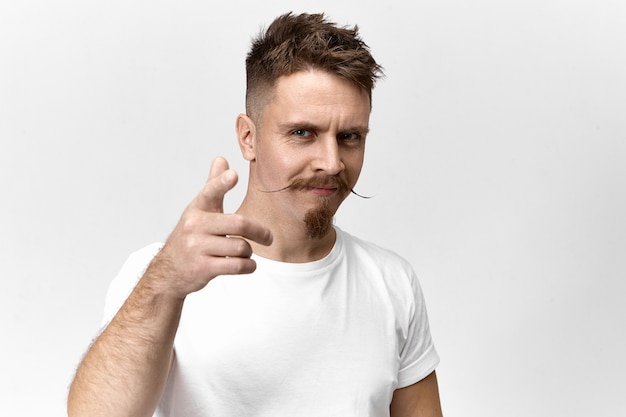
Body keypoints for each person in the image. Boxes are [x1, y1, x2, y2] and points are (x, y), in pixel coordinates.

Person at [68, 12, 443, 417]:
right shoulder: (161, 275)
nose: (332, 162)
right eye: (302, 133)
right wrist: (164, 283)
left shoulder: (392, 283)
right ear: (248, 137)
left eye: (349, 137)